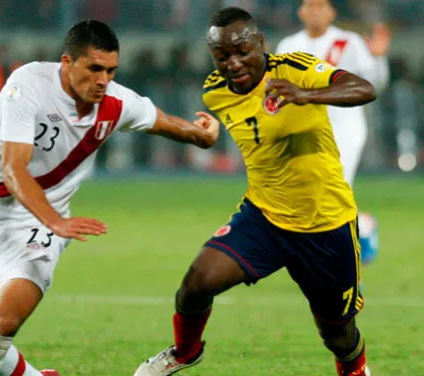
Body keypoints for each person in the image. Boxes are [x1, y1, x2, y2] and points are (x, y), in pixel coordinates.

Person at [0, 19, 220, 376]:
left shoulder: (115, 102)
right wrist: (57, 220)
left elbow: (163, 121)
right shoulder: (28, 85)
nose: (103, 80)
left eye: (111, 70)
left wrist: (201, 136)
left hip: (38, 223)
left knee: (1, 326)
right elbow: (13, 169)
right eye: (94, 68)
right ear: (67, 63)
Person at [134, 7, 376, 376]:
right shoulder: (215, 92)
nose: (233, 63)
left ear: (260, 43)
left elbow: (364, 89)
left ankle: (356, 369)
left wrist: (307, 96)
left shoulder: (296, 68)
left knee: (338, 334)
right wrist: (206, 136)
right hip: (264, 219)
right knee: (196, 284)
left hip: (325, 223)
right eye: (222, 56)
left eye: (242, 51)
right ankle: (184, 353)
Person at [275, 0, 391, 264]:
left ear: (332, 12)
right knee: (310, 193)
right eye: (310, 6)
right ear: (301, 11)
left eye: (320, 6)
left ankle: (340, 263)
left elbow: (375, 84)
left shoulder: (348, 41)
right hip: (305, 129)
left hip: (345, 127)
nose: (315, 11)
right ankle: (364, 226)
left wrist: (378, 57)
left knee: (335, 190)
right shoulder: (288, 45)